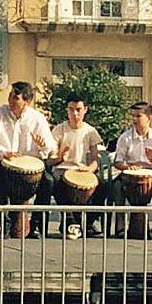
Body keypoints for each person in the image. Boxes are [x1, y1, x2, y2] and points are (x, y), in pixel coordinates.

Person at [0, 81, 56, 238]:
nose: (11, 101)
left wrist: (43, 146)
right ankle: (4, 224)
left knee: (48, 181)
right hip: (2, 164)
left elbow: (50, 148)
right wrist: (4, 152)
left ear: (27, 101)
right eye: (10, 96)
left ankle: (36, 226)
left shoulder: (37, 118)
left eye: (16, 98)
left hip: (31, 170)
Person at [47, 95, 105, 240]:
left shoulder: (90, 131)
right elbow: (51, 159)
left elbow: (95, 160)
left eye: (78, 110)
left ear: (85, 110)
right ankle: (70, 222)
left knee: (102, 186)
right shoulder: (59, 130)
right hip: (62, 169)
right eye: (71, 110)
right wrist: (60, 156)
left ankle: (89, 223)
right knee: (57, 182)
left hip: (81, 170)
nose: (75, 114)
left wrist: (89, 169)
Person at [111, 102, 152, 237]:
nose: (134, 120)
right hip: (129, 175)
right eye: (133, 116)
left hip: (151, 174)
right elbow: (117, 162)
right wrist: (129, 167)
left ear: (149, 117)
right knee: (117, 186)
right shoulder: (125, 137)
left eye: (138, 116)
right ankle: (120, 228)